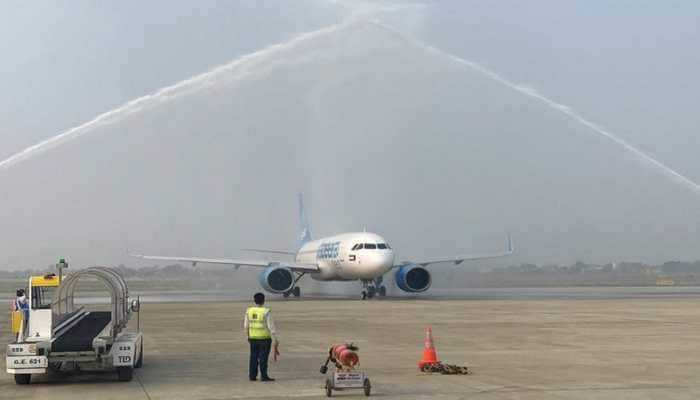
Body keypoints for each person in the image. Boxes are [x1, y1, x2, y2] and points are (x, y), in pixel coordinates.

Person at [244, 292, 279, 382]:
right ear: (263, 301)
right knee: (263, 358)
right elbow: (271, 326)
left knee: (253, 357)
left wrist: (247, 336)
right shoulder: (266, 311)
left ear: (254, 300)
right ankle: (263, 376)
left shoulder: (249, 311)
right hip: (264, 339)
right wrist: (275, 339)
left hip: (253, 338)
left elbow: (246, 326)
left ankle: (252, 376)